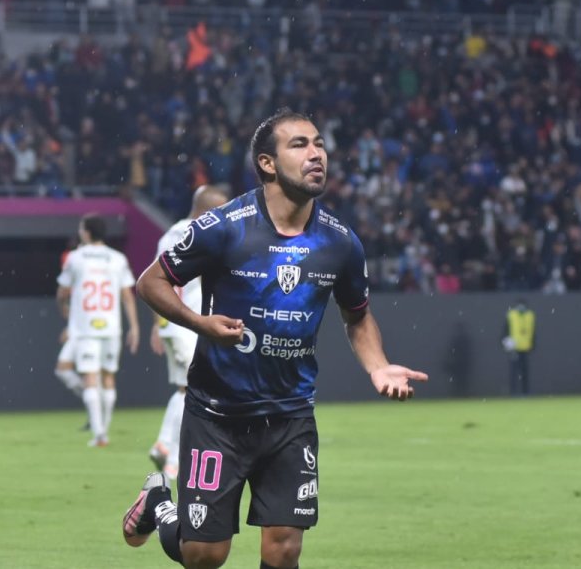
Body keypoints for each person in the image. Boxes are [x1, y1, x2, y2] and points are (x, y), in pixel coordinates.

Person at [121, 109, 428, 569]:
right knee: (204, 555)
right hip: (217, 414)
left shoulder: (340, 242)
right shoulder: (224, 226)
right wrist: (199, 323)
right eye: (299, 145)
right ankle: (159, 502)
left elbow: (357, 316)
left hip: (290, 415)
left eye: (319, 144)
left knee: (283, 550)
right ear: (268, 163)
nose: (316, 154)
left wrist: (378, 365)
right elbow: (151, 282)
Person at [148, 185, 229, 482]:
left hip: (172, 322)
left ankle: (162, 444)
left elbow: (156, 281)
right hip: (190, 323)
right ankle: (173, 461)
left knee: (184, 388)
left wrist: (158, 325)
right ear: (208, 210)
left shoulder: (169, 234)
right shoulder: (205, 234)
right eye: (221, 210)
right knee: (194, 391)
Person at [56, 214, 140, 447]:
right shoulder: (118, 258)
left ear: (87, 232)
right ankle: (104, 428)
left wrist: (64, 311)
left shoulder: (75, 258)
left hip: (86, 328)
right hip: (112, 327)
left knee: (91, 378)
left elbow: (62, 293)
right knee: (108, 378)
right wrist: (134, 327)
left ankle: (100, 434)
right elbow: (127, 296)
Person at [502, 298, 536, 396]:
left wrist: (532, 345)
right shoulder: (511, 315)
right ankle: (513, 393)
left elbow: (533, 331)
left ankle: (525, 393)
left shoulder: (530, 315)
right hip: (514, 348)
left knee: (525, 372)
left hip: (525, 348)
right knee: (514, 373)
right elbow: (505, 332)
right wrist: (508, 346)